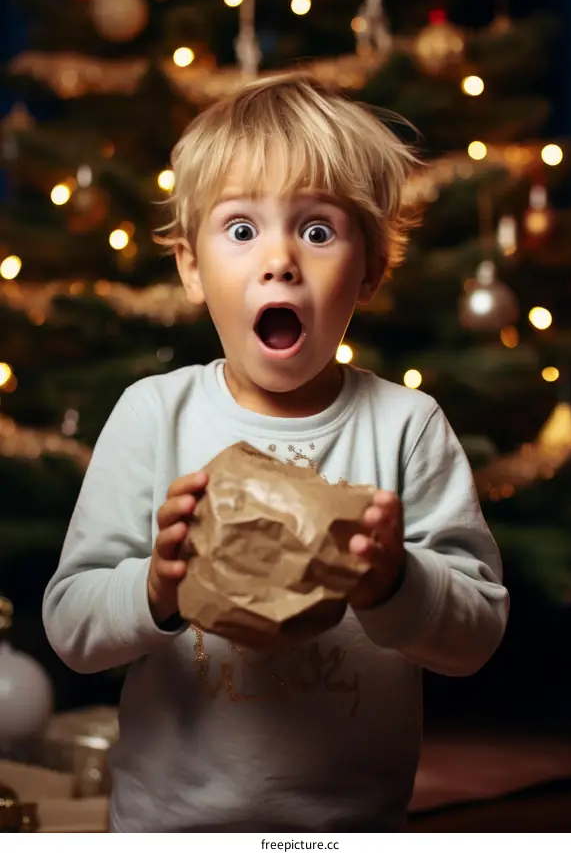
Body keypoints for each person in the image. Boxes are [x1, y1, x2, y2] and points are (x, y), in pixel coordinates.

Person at [43, 74, 509, 833]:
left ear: (368, 271)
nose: (281, 260)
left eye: (318, 230)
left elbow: (476, 635)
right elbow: (70, 626)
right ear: (191, 268)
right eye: (241, 229)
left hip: (351, 827)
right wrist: (156, 588)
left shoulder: (406, 426)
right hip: (169, 828)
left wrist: (396, 579)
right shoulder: (155, 416)